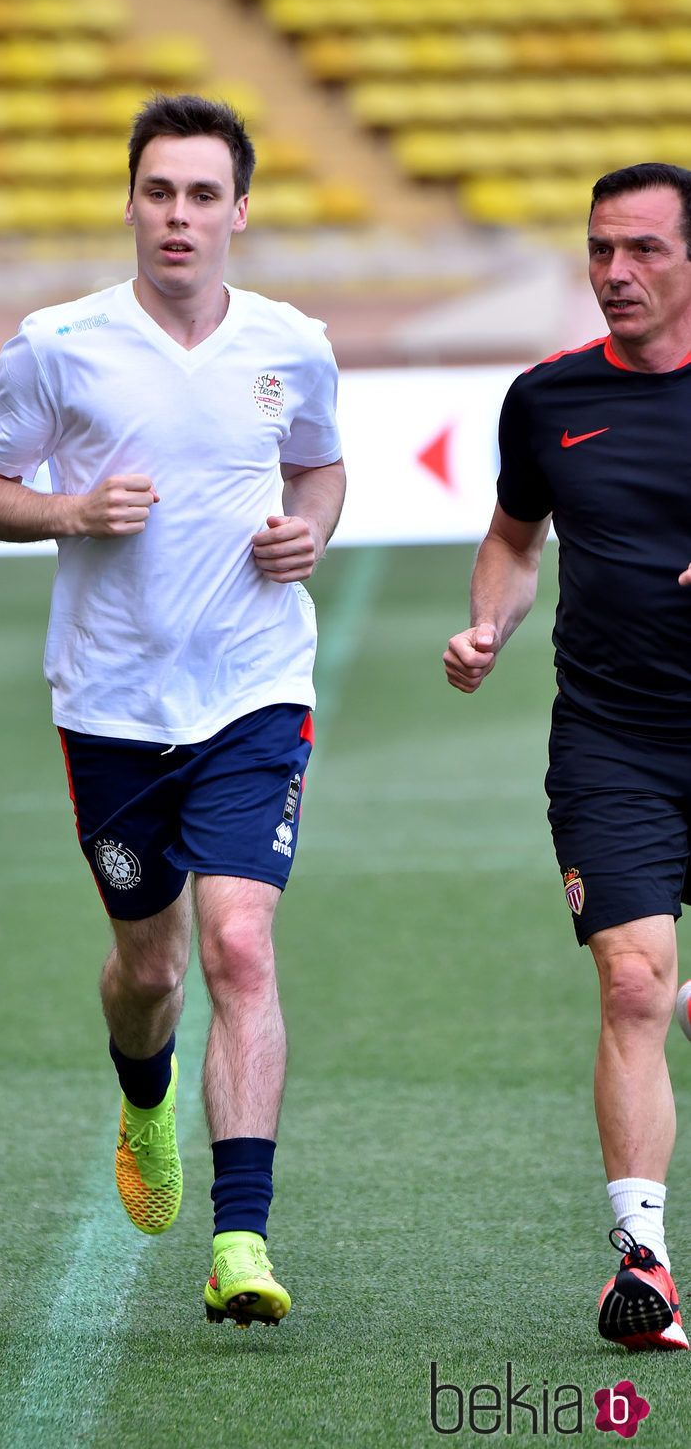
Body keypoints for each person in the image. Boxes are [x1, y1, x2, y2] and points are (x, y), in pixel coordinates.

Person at [0, 93, 345, 1327]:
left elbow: (320, 463)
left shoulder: (293, 343)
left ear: (240, 210)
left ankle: (241, 1234)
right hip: (113, 705)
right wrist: (67, 511)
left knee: (238, 943)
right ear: (131, 201)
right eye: (157, 192)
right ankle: (141, 1097)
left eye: (201, 195)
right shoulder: (58, 341)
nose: (178, 216)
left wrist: (310, 530)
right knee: (149, 965)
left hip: (253, 690)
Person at [444, 161, 691, 1352]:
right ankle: (638, 1264)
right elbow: (510, 534)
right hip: (612, 742)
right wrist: (488, 619)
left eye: (641, 249)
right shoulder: (544, 399)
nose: (613, 273)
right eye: (599, 248)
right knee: (632, 981)